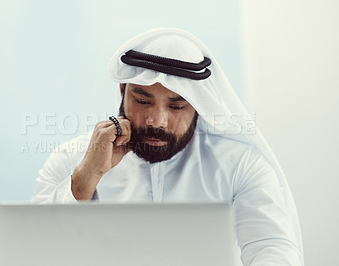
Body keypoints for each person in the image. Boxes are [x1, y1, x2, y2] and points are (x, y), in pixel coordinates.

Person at [32, 28, 304, 265]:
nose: (157, 120)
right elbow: (35, 252)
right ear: (122, 92)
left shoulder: (240, 163)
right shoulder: (73, 159)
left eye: (176, 106)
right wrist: (86, 176)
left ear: (199, 105)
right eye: (142, 101)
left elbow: (272, 247)